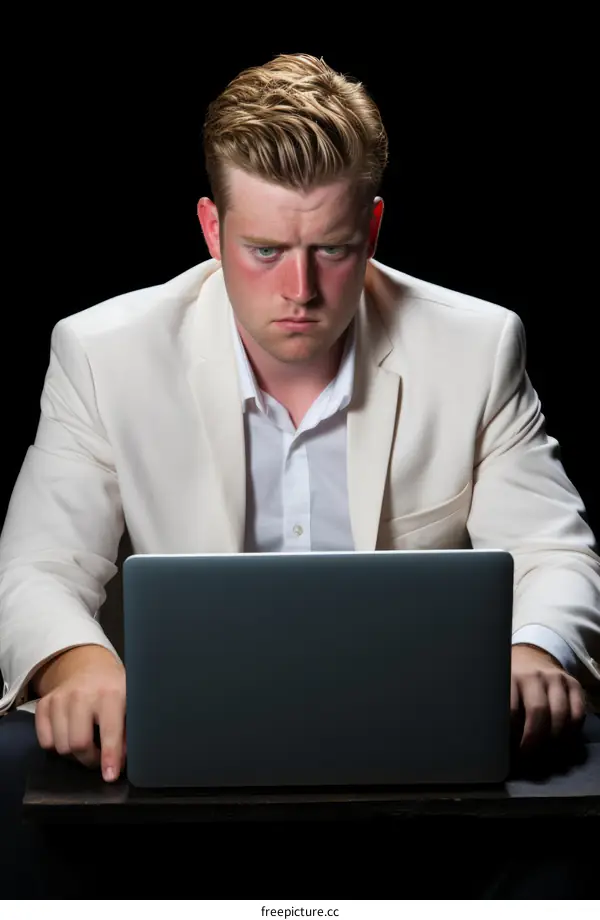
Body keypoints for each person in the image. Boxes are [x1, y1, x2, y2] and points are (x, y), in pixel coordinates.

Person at [0, 52, 598, 897]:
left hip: (413, 744)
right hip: (186, 748)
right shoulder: (103, 355)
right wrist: (76, 663)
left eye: (334, 250)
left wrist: (534, 646)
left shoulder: (478, 347)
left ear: (374, 230)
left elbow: (554, 551)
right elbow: (39, 566)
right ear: (211, 229)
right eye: (265, 250)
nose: (301, 290)